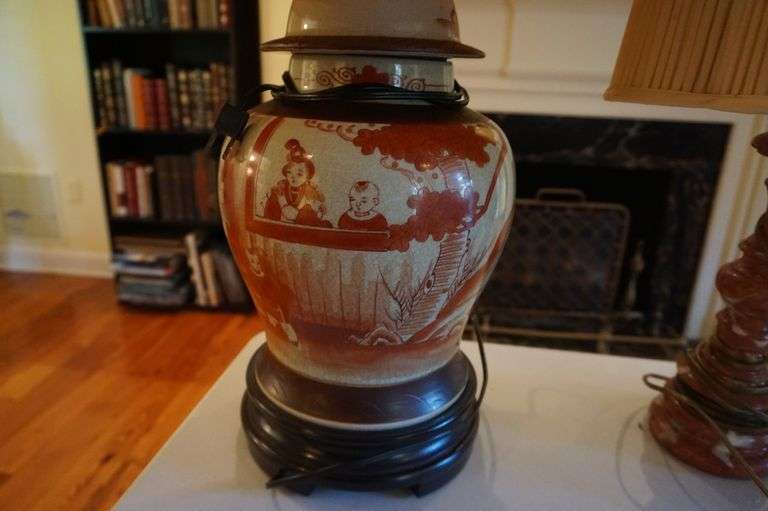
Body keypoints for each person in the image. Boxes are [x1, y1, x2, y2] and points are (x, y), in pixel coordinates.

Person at [264, 139, 330, 227]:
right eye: (289, 172)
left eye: (299, 174)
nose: (293, 177)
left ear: (307, 176)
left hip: (302, 224)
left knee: (307, 210)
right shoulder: (280, 187)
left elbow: (315, 205)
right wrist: (283, 205)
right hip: (281, 224)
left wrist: (319, 209)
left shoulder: (309, 190)